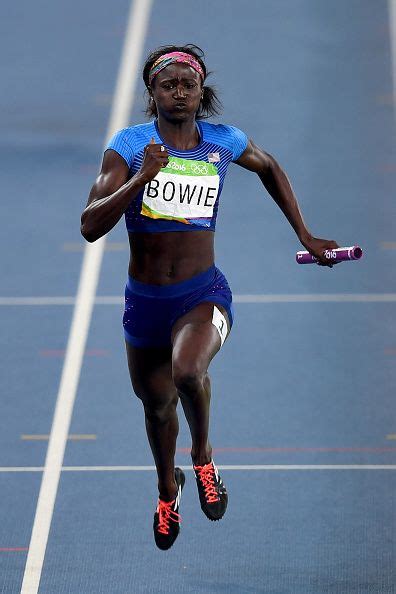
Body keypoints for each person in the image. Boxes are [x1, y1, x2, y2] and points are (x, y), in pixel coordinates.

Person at [81, 44, 339, 550]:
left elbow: (268, 167)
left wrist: (304, 234)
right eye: (167, 86)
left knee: (188, 373)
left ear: (202, 92)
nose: (179, 93)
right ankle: (165, 490)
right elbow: (90, 226)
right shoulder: (129, 147)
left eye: (188, 85)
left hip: (202, 294)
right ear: (151, 96)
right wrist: (139, 180)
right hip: (145, 304)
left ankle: (202, 459)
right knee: (156, 410)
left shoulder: (223, 142)